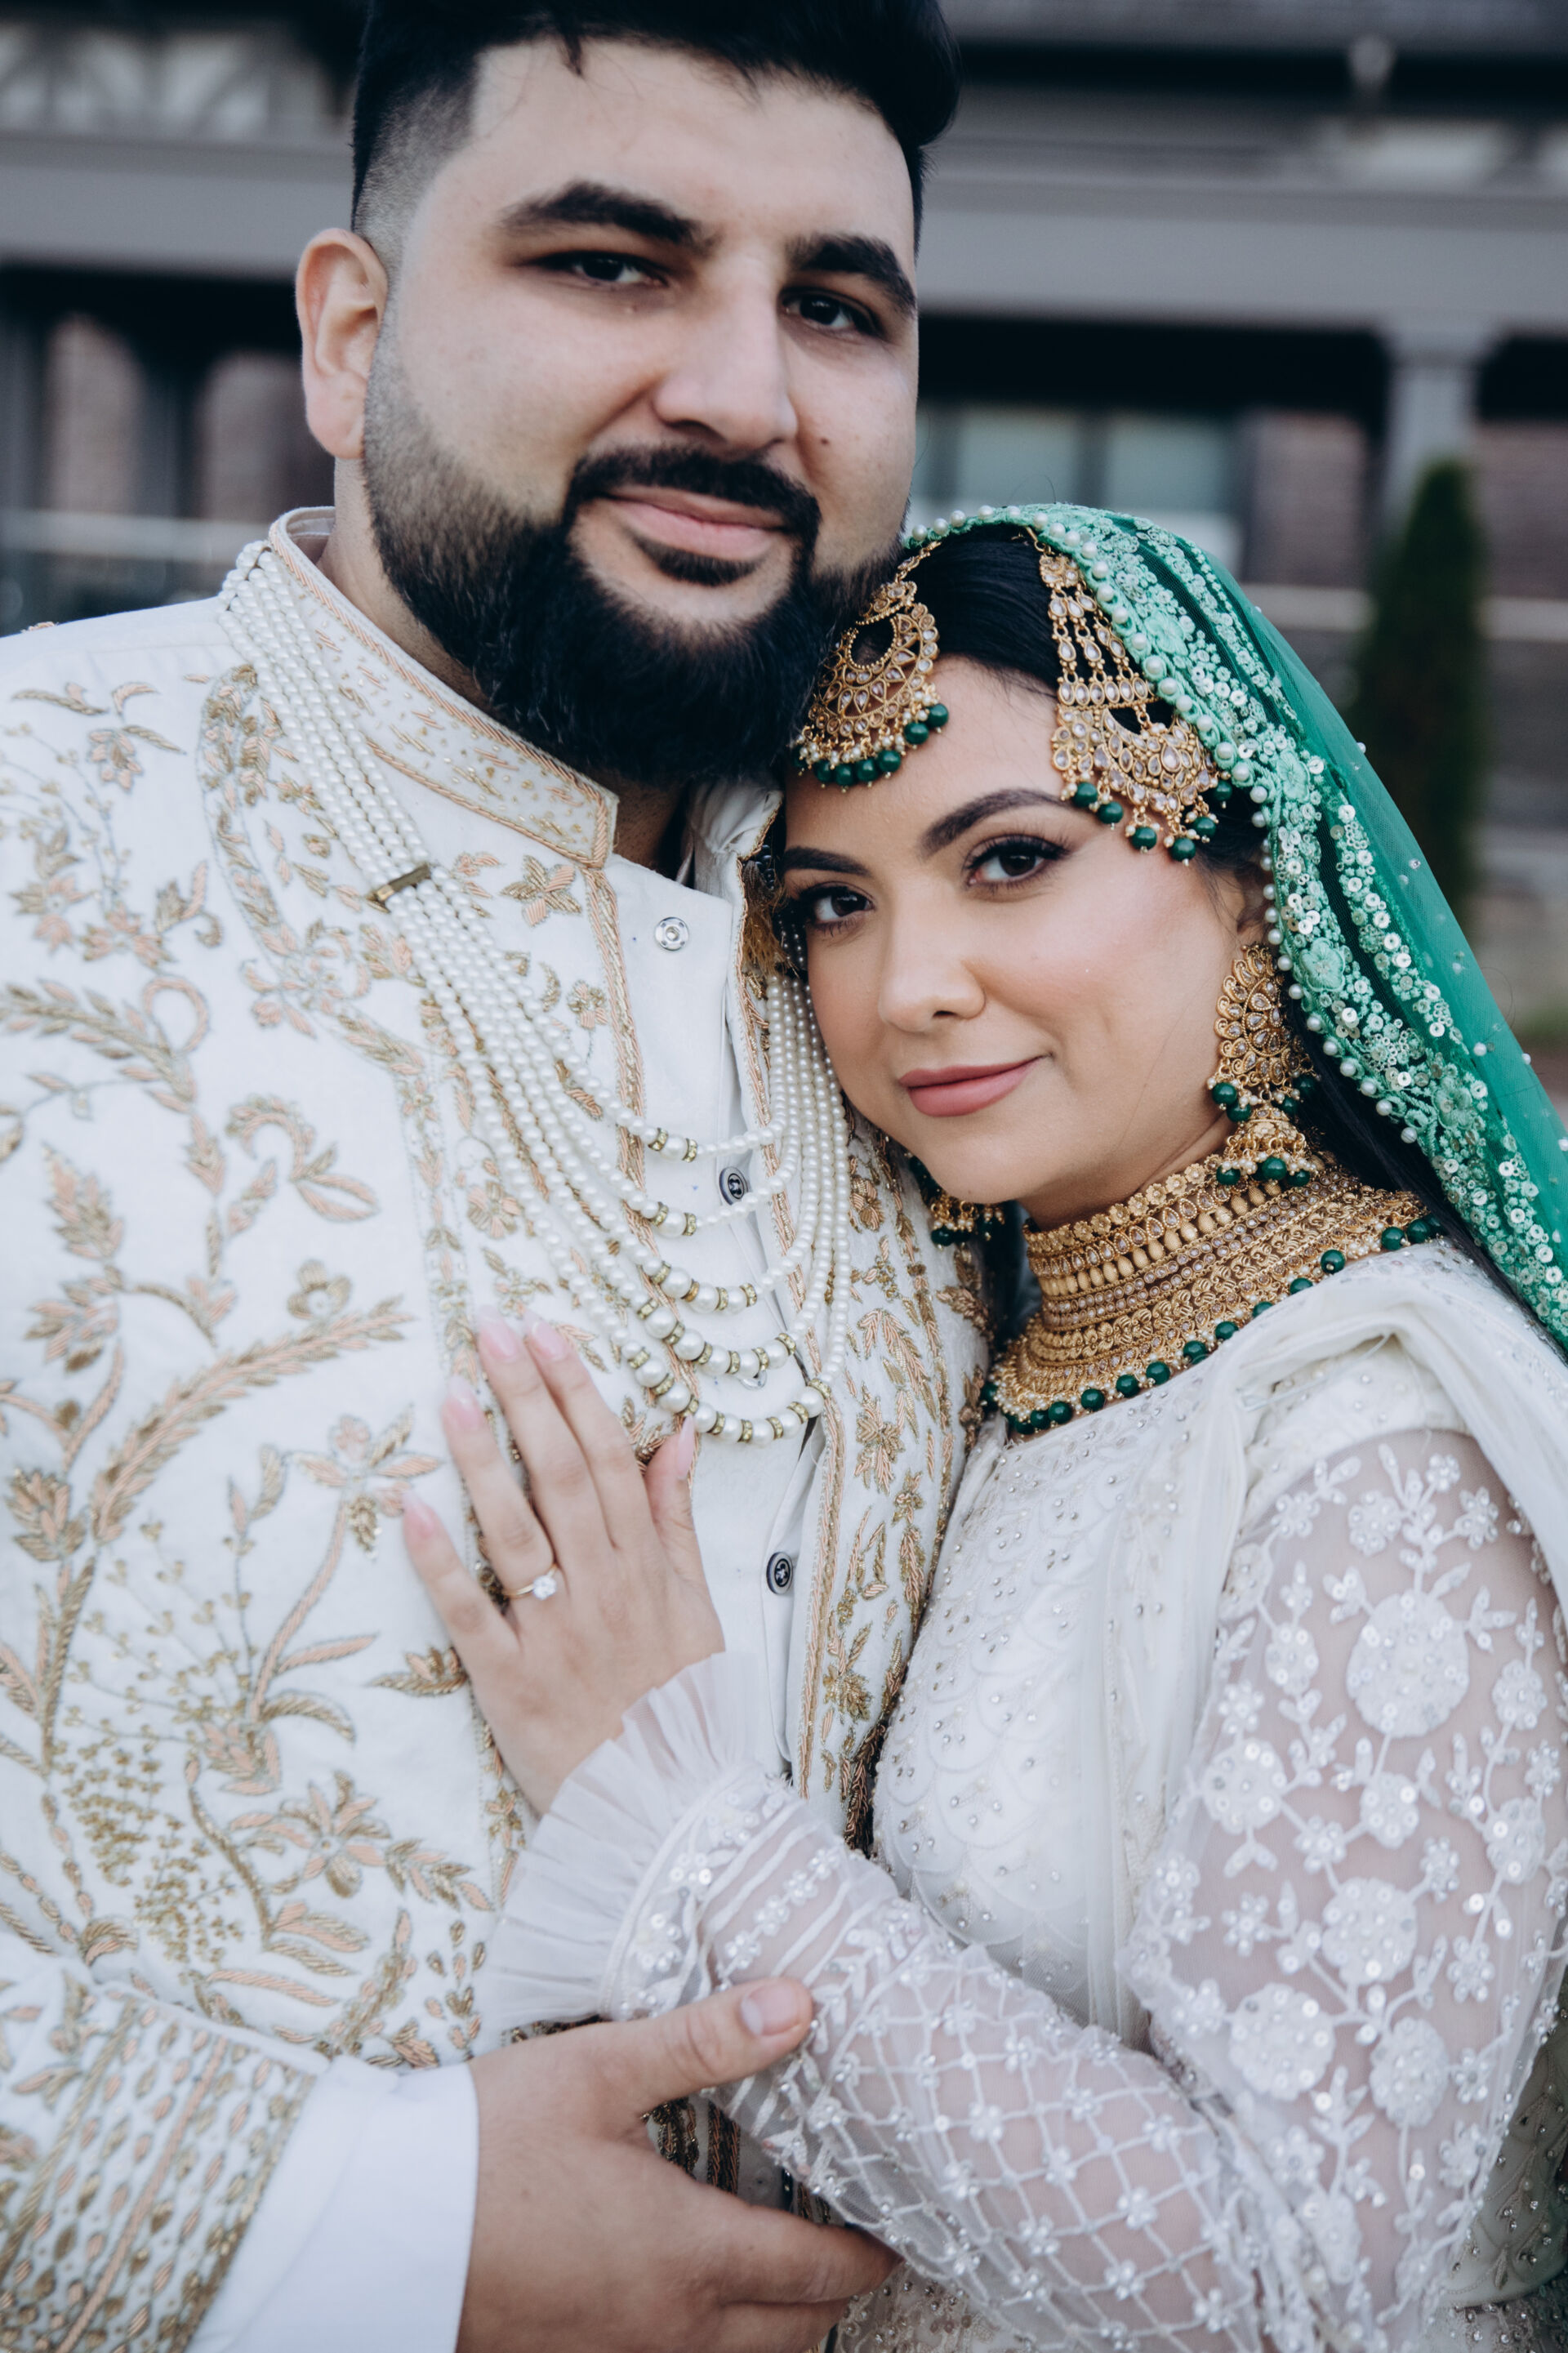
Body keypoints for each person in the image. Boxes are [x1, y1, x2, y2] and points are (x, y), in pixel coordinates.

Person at [0, 7, 990, 2348]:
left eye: (835, 305)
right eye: (612, 265)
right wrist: (369, 2221)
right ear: (349, 337)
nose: (746, 394)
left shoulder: (956, 978)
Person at [408, 513, 1568, 2352]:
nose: (907, 986)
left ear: (1251, 878)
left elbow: (1282, 2284)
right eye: (833, 904)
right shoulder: (1016, 1355)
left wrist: (686, 1834)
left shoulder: (1382, 1438)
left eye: (1011, 859)